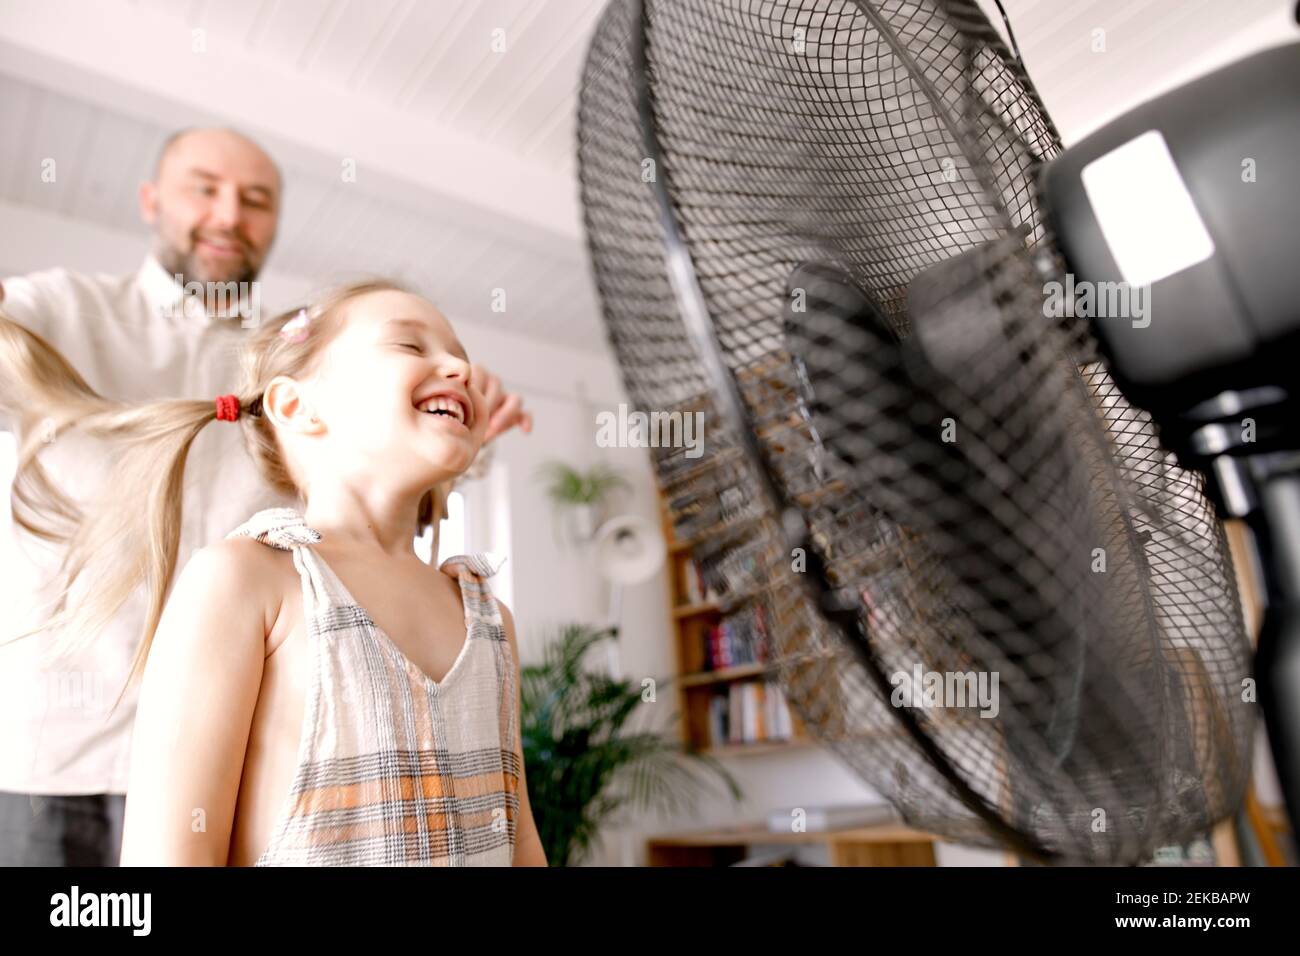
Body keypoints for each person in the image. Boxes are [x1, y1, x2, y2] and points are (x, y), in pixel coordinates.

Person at [0, 127, 531, 865]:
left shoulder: (298, 357)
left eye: (256, 200)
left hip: (247, 742)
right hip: (56, 757)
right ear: (151, 201)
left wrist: (444, 418)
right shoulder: (56, 308)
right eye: (205, 188)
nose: (229, 214)